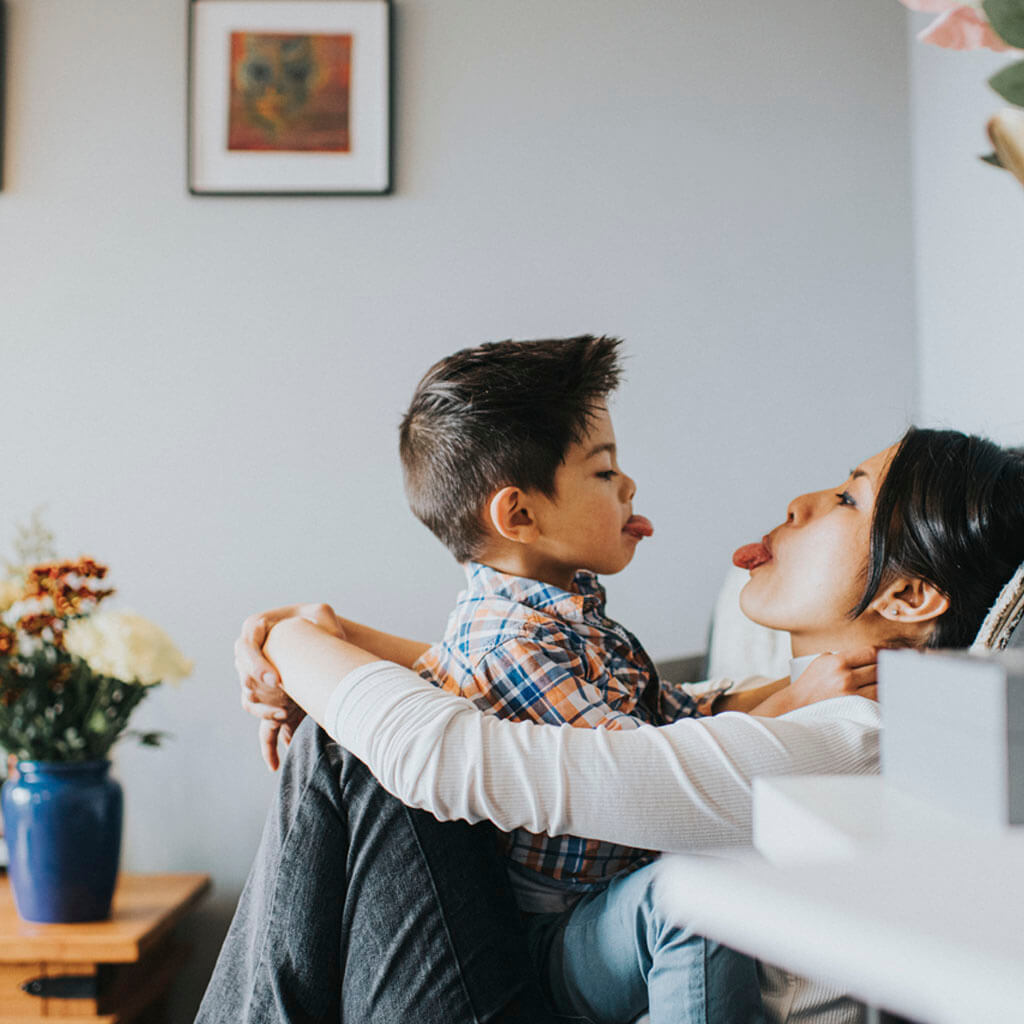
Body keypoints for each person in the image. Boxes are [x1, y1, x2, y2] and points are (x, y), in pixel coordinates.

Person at [201, 426, 1024, 1023]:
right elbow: (536, 696)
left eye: (848, 499)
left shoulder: (850, 743)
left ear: (908, 598)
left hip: (543, 985)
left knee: (345, 748)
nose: (802, 503)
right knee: (347, 733)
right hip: (543, 961)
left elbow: (458, 757)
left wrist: (289, 640)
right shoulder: (808, 702)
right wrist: (335, 638)